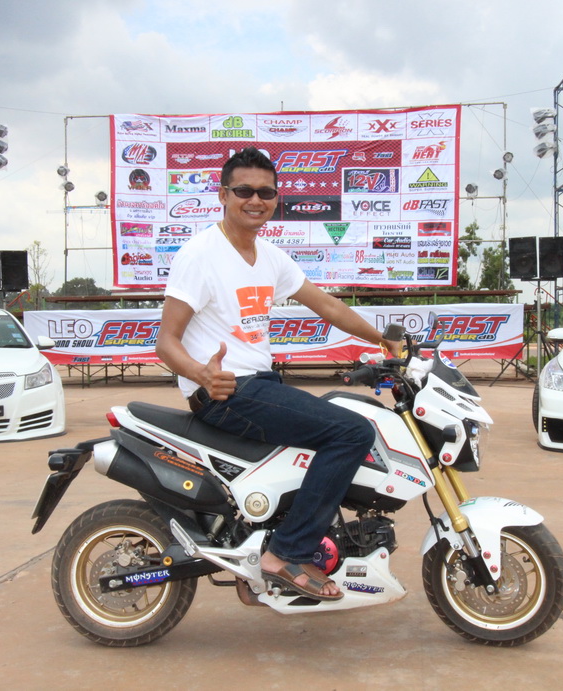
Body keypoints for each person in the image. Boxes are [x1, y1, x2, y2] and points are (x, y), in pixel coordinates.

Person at [156, 147, 401, 601]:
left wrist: (382, 341)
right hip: (227, 391)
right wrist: (201, 375)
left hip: (259, 384)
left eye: (266, 192)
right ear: (223, 195)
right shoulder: (201, 255)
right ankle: (286, 553)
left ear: (275, 198)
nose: (256, 200)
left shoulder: (269, 256)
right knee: (352, 432)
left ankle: (266, 547)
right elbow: (165, 341)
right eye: (244, 191)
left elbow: (326, 305)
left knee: (336, 416)